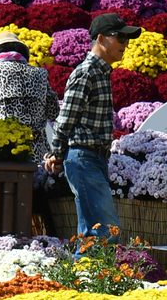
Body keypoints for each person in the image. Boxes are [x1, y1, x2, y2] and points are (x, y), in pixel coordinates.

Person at [44, 13, 140, 243]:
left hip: (92, 159)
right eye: (120, 38)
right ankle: (87, 276)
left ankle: (81, 276)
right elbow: (65, 119)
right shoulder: (87, 72)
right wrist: (56, 154)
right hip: (84, 158)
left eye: (127, 40)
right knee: (105, 230)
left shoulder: (100, 72)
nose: (125, 45)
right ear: (101, 39)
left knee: (93, 233)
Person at [0, 29, 61, 234]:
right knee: (37, 206)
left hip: (2, 153)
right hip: (36, 155)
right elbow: (54, 111)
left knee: (2, 205)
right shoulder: (40, 74)